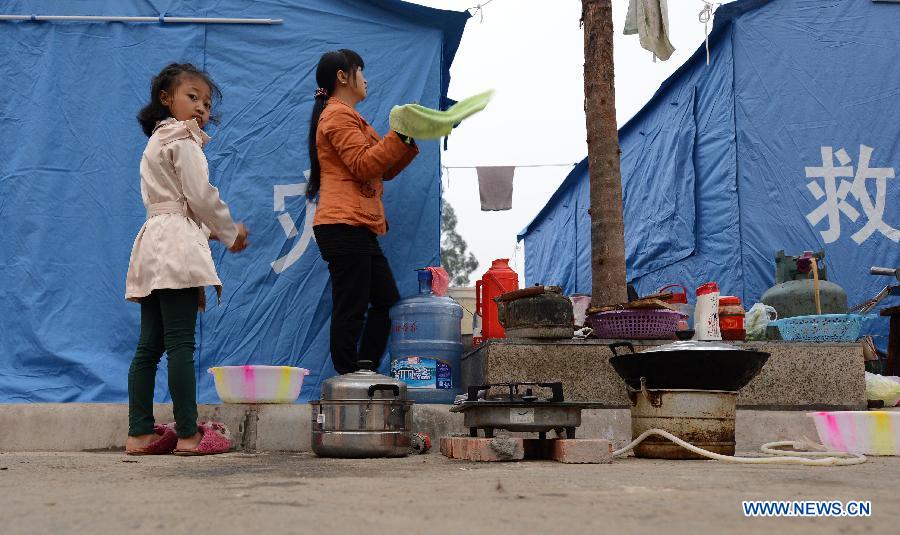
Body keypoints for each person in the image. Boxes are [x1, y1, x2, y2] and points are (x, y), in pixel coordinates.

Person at [124, 63, 249, 455]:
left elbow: (174, 205)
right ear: (167, 99)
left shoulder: (155, 141)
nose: (201, 108)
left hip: (152, 244)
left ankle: (140, 433)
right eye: (192, 97)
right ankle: (190, 435)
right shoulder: (184, 139)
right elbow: (200, 196)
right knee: (180, 344)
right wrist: (228, 231)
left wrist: (213, 231)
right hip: (175, 249)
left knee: (149, 346)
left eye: (207, 104)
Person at [307, 49, 419, 375]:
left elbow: (383, 170)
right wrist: (396, 136)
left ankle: (364, 369)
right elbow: (362, 165)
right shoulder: (337, 116)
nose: (366, 79)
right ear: (343, 76)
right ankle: (348, 376)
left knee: (385, 300)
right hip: (342, 224)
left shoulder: (352, 118)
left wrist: (406, 137)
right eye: (361, 71)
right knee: (352, 306)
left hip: (357, 225)